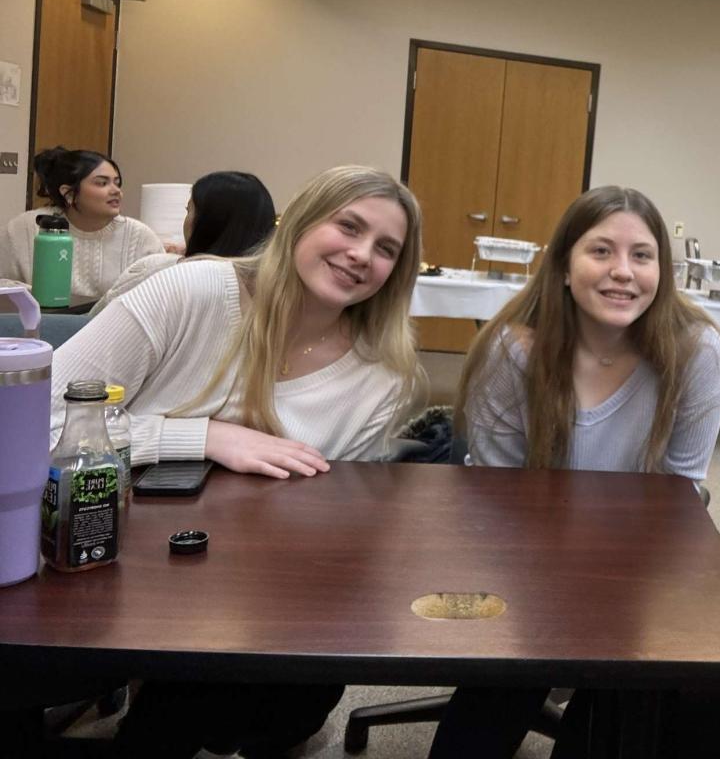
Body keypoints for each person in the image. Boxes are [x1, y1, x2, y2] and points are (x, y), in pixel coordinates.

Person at [47, 165, 428, 759]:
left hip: (260, 578)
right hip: (106, 553)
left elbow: (340, 512)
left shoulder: (381, 375)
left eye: (386, 249)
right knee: (193, 693)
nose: (361, 255)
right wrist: (201, 436)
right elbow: (36, 421)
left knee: (295, 690)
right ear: (298, 223)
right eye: (349, 227)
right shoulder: (192, 291)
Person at [429, 184, 720, 759]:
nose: (623, 271)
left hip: (635, 566)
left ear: (662, 272)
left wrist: (611, 599)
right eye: (601, 251)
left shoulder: (696, 350)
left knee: (636, 697)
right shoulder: (512, 351)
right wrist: (553, 605)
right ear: (564, 266)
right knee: (505, 689)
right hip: (523, 561)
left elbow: (680, 497)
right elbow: (495, 497)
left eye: (642, 256)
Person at [88, 170, 276, 316]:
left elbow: (95, 320)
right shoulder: (278, 291)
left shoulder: (160, 269)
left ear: (207, 224)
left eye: (189, 210)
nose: (115, 191)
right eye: (102, 183)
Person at [0, 146, 163, 303]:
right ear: (69, 194)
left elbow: (160, 297)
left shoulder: (140, 237)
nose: (116, 191)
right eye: (102, 183)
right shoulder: (26, 227)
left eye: (117, 183)